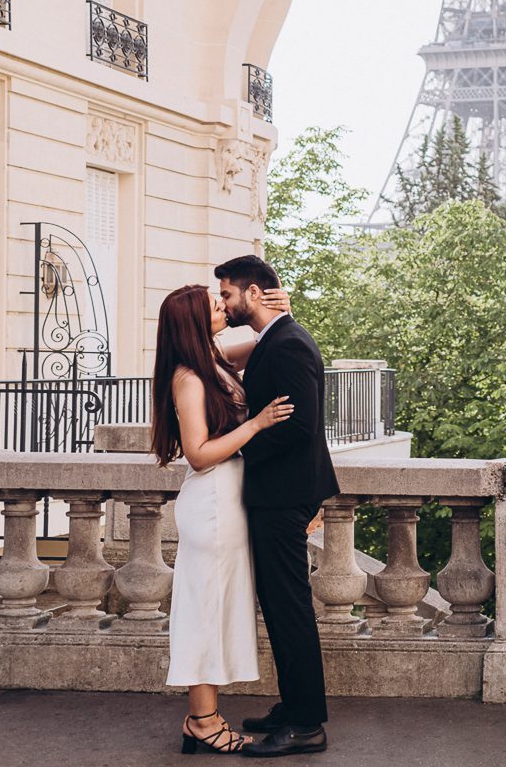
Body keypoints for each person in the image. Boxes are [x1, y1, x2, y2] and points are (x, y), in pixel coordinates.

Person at [151, 282, 293, 755]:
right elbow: (198, 454)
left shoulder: (214, 360)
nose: (224, 307)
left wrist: (273, 308)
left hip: (227, 502)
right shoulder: (189, 377)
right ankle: (202, 720)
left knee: (219, 607)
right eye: (215, 306)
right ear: (194, 321)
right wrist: (256, 424)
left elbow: (265, 339)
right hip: (211, 503)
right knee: (204, 611)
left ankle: (204, 716)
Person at [214, 255, 340, 758]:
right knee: (281, 605)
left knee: (289, 610)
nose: (224, 303)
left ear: (253, 293)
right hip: (281, 493)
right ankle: (293, 706)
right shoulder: (276, 338)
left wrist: (242, 445)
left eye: (227, 294)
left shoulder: (287, 344)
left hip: (283, 496)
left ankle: (307, 723)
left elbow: (300, 425)